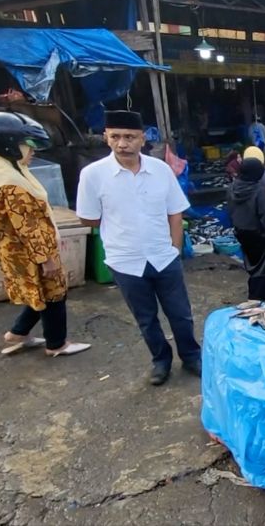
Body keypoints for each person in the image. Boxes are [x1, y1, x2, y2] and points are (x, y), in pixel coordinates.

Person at [76, 110, 201, 386]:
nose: (123, 143)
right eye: (116, 136)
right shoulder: (93, 175)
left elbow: (175, 212)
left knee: (180, 313)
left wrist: (175, 248)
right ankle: (161, 360)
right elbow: (88, 217)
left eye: (130, 137)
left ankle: (191, 356)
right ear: (106, 138)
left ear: (142, 138)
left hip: (164, 257)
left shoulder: (160, 170)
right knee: (146, 318)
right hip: (125, 261)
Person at [0, 112, 90, 357]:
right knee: (53, 295)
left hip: (19, 252)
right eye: (27, 146)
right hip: (32, 252)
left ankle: (18, 333)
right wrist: (46, 258)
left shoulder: (0, 172)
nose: (32, 153)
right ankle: (57, 344)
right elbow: (29, 227)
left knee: (38, 292)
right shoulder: (11, 185)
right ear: (9, 147)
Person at [228, 154, 265, 301]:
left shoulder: (232, 187)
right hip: (259, 235)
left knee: (253, 264)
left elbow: (231, 211)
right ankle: (257, 299)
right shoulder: (259, 190)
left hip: (241, 233)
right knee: (263, 268)